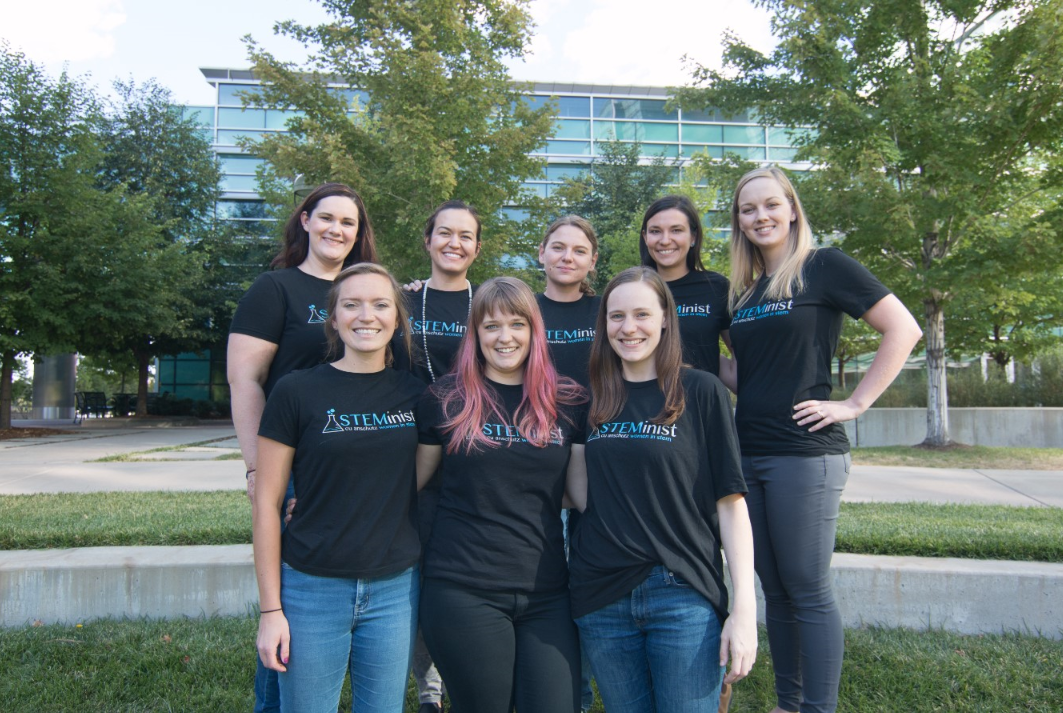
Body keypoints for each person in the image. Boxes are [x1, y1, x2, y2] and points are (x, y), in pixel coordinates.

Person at [723, 167, 922, 713]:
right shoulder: (748, 289)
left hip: (805, 453)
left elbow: (904, 328)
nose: (760, 216)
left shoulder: (823, 266)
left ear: (791, 209)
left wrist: (854, 404)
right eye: (747, 209)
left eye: (770, 205)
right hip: (750, 450)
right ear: (737, 222)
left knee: (807, 587)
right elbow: (749, 375)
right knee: (776, 590)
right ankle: (790, 704)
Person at [568, 266, 758, 713]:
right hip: (601, 594)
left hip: (682, 592)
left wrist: (745, 611)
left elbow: (731, 507)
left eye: (641, 314)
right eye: (616, 317)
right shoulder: (590, 398)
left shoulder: (702, 391)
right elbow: (577, 494)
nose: (628, 328)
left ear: (665, 319)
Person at [227, 182, 378, 713]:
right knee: (291, 598)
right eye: (328, 218)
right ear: (306, 221)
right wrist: (256, 469)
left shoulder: (368, 292)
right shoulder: (276, 289)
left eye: (349, 223)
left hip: (353, 463)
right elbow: (246, 380)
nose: (338, 230)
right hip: (291, 462)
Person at [253, 263, 424, 713]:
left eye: (380, 304)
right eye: (351, 304)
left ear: (396, 318)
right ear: (333, 318)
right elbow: (268, 505)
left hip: (395, 588)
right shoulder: (295, 391)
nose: (366, 315)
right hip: (312, 587)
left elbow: (423, 480)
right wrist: (271, 611)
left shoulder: (418, 396)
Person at [415, 277, 587, 713]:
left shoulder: (566, 401)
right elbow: (410, 482)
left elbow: (578, 494)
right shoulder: (445, 399)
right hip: (463, 588)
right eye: (491, 326)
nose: (504, 337)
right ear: (474, 335)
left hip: (546, 590)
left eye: (517, 325)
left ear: (534, 330)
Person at [393, 199, 483, 713]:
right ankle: (429, 690)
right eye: (444, 233)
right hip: (415, 450)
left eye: (465, 235)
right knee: (422, 571)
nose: (454, 243)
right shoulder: (401, 301)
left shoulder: (486, 300)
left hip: (478, 454)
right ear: (427, 240)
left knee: (465, 574)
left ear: (476, 246)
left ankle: (472, 671)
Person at [534, 215, 601, 712]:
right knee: (549, 579)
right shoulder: (525, 312)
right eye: (558, 247)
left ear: (592, 261)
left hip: (601, 456)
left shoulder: (606, 313)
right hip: (535, 458)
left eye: (579, 250)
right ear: (541, 253)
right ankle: (563, 691)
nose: (567, 257)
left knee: (588, 576)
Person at [639, 195, 731, 375]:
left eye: (676, 230)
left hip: (701, 400)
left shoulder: (716, 287)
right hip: (645, 401)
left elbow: (743, 361)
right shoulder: (633, 289)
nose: (665, 240)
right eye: (655, 231)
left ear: (693, 236)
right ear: (645, 237)